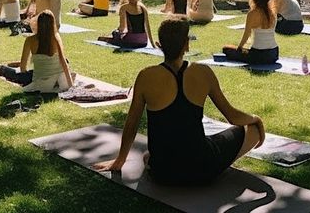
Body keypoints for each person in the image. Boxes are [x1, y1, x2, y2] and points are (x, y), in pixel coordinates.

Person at [94, 15, 266, 185]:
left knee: (148, 156)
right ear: (187, 44)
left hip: (162, 171)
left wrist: (120, 160)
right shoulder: (203, 73)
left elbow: (132, 124)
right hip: (202, 169)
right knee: (252, 130)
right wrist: (255, 119)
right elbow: (233, 117)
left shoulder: (146, 76)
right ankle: (218, 164)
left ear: (159, 45)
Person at [0, 11, 74, 92]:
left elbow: (23, 68)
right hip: (58, 80)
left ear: (38, 23)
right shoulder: (57, 38)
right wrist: (71, 86)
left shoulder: (30, 40)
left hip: (41, 81)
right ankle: (3, 68)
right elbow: (64, 62)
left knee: (18, 75)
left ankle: (2, 69)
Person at [221, 0, 279, 65]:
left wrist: (239, 48)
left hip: (258, 55)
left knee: (226, 49)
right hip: (274, 54)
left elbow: (247, 34)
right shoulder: (273, 13)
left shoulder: (252, 13)